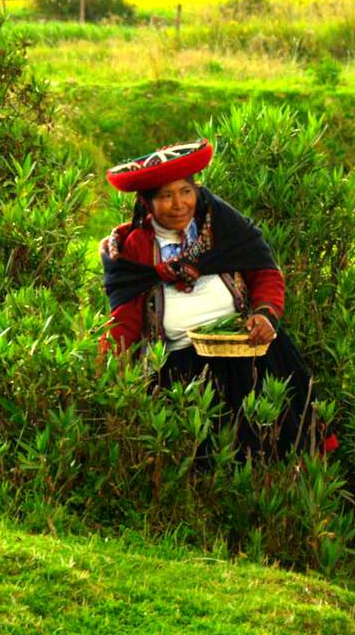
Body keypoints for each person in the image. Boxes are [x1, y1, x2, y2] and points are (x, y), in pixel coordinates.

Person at [99, 139, 336, 458]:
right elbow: (125, 314)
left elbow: (264, 272)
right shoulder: (135, 247)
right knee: (207, 456)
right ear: (147, 203)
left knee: (280, 444)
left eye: (185, 191)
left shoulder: (221, 224)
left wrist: (265, 314)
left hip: (249, 353)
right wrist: (104, 371)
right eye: (166, 195)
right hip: (182, 368)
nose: (179, 203)